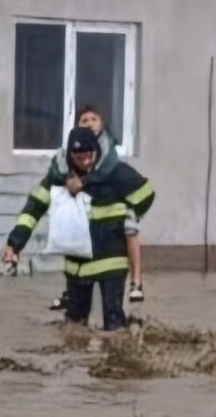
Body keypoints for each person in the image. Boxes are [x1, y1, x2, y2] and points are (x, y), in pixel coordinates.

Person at [0, 127, 155, 331]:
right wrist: (14, 244)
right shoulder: (58, 177)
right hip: (77, 265)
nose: (85, 160)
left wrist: (129, 216)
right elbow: (33, 208)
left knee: (113, 322)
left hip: (110, 261)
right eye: (79, 156)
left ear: (96, 151)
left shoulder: (117, 173)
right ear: (71, 155)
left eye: (89, 154)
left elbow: (146, 195)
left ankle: (117, 356)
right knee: (74, 326)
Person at [44, 105, 145, 310]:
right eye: (84, 120)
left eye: (93, 119)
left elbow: (105, 171)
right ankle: (69, 289)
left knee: (129, 229)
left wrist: (85, 182)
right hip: (86, 203)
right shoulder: (74, 147)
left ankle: (136, 281)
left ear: (102, 124)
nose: (89, 123)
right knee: (73, 232)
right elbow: (64, 169)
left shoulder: (108, 149)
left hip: (115, 198)